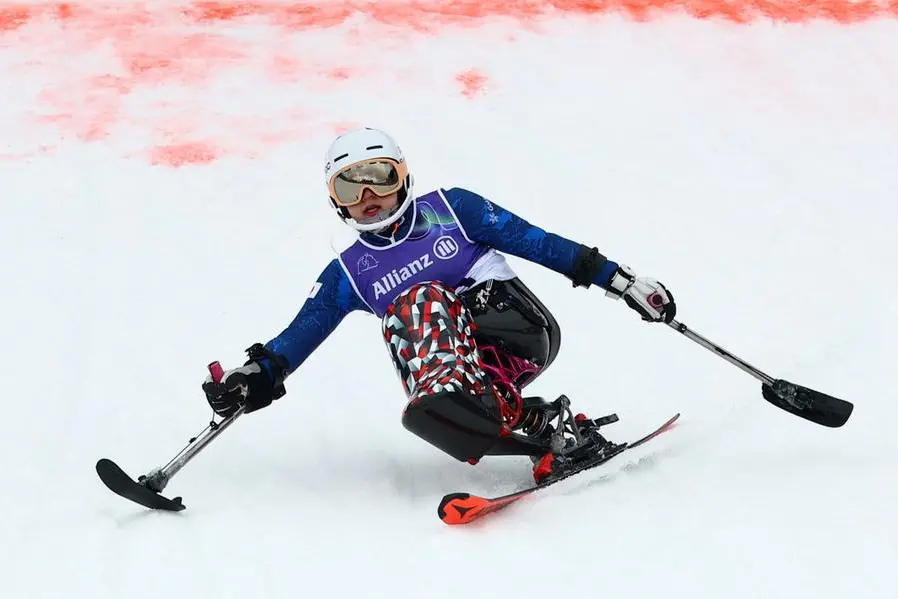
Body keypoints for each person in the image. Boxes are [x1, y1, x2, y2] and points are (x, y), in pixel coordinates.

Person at [202, 127, 676, 483]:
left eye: (379, 178)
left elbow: (540, 244)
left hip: (516, 330)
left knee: (416, 300)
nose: (368, 197)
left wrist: (621, 280)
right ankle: (548, 433)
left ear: (403, 176)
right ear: (336, 201)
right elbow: (298, 336)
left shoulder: (453, 210)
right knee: (415, 340)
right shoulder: (347, 274)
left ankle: (451, 397)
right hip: (456, 369)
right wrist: (253, 376)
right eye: (350, 187)